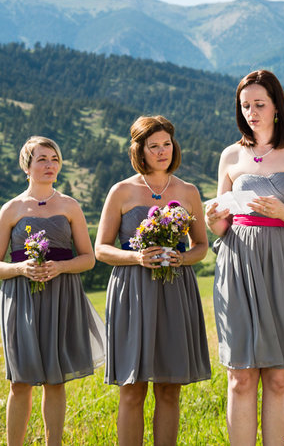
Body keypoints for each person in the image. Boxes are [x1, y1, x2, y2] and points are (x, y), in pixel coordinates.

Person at [206, 69, 284, 446]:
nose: (252, 112)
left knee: (278, 376)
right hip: (238, 265)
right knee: (240, 375)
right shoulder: (231, 155)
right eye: (245, 106)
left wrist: (282, 212)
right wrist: (214, 219)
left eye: (259, 104)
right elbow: (221, 225)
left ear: (277, 106)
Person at [95, 115, 211, 446]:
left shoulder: (188, 191)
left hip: (176, 291)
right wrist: (136, 257)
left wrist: (182, 257)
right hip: (131, 293)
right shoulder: (121, 191)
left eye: (166, 144)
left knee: (169, 388)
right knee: (132, 390)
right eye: (153, 146)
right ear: (139, 150)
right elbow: (101, 248)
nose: (162, 151)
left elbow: (201, 246)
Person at [0, 136, 106, 446]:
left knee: (55, 381)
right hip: (21, 300)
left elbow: (88, 258)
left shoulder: (69, 206)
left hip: (61, 298)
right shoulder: (11, 209)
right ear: (27, 166)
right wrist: (21, 268)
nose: (50, 165)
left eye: (54, 159)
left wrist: (61, 267)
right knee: (20, 382)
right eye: (42, 159)